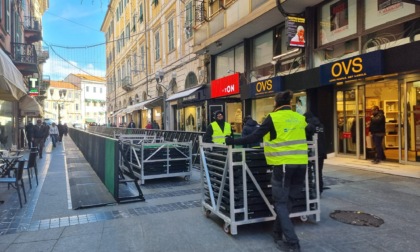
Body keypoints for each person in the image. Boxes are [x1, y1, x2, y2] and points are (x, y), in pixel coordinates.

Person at [225, 90, 307, 252]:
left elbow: (254, 137)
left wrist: (233, 141)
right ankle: (277, 233)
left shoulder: (274, 118)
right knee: (288, 202)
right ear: (289, 103)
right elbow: (310, 129)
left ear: (275, 104)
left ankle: (292, 243)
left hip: (283, 166)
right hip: (302, 164)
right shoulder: (299, 117)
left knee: (281, 203)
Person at [304, 111, 327, 194]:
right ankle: (319, 189)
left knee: (310, 172)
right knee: (319, 172)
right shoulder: (321, 125)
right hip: (322, 151)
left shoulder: (309, 126)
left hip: (313, 151)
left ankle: (314, 190)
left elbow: (306, 138)